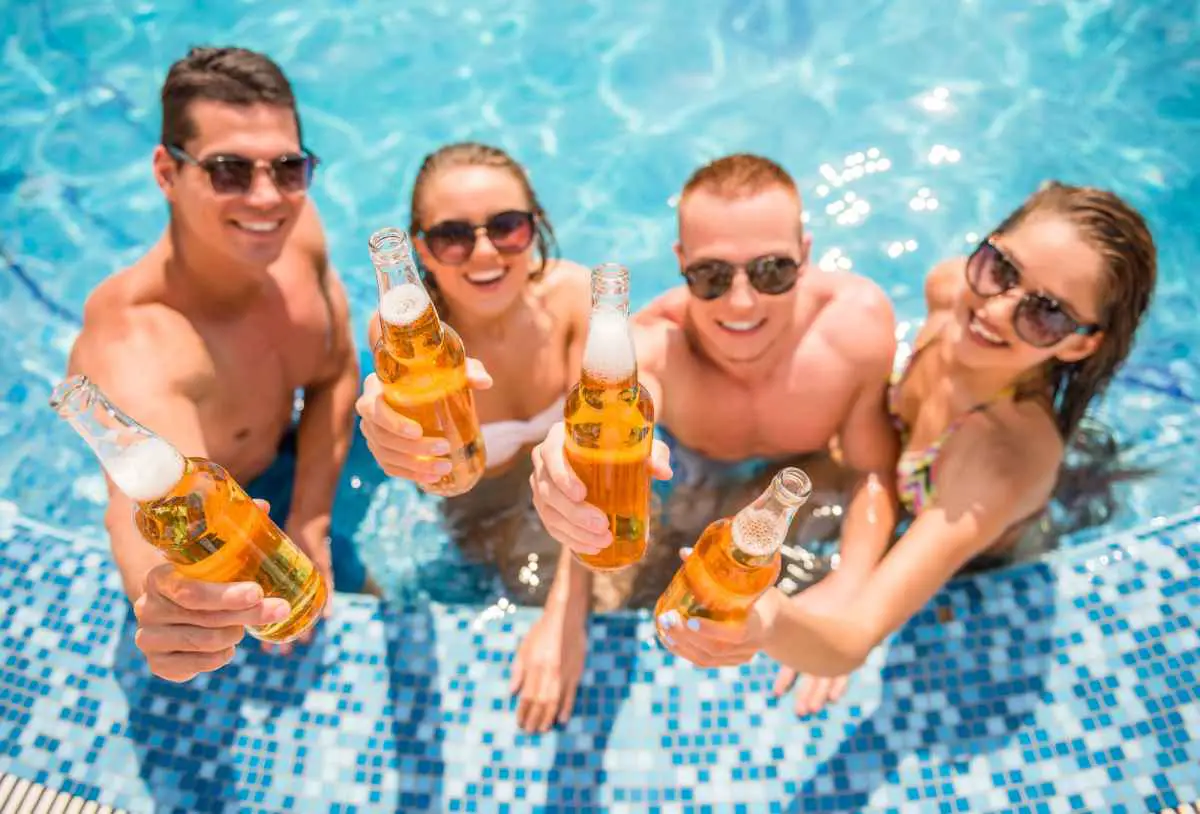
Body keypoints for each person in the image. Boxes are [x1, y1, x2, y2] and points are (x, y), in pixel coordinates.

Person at [657, 182, 1157, 683]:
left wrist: (772, 621)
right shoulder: (950, 293)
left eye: (1047, 313)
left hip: (973, 549)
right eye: (1001, 267)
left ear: (1078, 346)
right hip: (894, 467)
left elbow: (852, 643)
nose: (995, 310)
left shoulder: (997, 462)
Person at [527, 153, 902, 725]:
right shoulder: (655, 347)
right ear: (681, 264)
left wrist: (848, 590)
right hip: (693, 479)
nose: (742, 302)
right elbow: (598, 450)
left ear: (805, 253)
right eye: (712, 276)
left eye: (772, 270)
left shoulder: (853, 327)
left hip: (799, 481)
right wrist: (563, 609)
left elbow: (871, 472)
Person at [66, 47, 364, 683]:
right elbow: (139, 517)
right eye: (229, 171)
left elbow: (336, 370)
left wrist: (310, 519)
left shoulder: (296, 228)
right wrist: (168, 607)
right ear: (167, 174)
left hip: (297, 470)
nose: (267, 199)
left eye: (289, 168)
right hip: (227, 519)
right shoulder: (138, 344)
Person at [352, 142, 595, 731]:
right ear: (420, 251)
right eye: (453, 236)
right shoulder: (408, 333)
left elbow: (597, 454)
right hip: (472, 507)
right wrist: (387, 432)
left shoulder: (571, 299)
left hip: (574, 497)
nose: (484, 253)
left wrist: (568, 617)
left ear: (534, 227)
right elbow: (386, 402)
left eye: (507, 228)